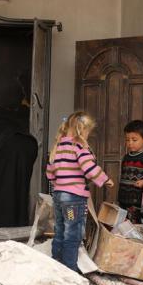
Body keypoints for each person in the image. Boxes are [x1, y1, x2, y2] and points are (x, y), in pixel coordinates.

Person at [45, 111, 114, 272]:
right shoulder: (78, 146)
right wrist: (105, 180)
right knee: (73, 232)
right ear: (81, 130)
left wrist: (60, 184)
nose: (87, 137)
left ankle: (56, 263)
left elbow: (49, 173)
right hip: (73, 200)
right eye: (88, 133)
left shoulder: (58, 146)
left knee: (60, 230)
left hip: (59, 197)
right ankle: (70, 268)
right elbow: (88, 167)